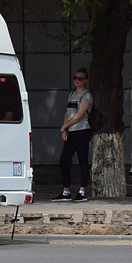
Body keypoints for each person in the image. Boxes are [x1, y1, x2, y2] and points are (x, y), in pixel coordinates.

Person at [54, 68, 92, 202]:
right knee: (64, 160)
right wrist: (65, 129)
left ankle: (82, 191)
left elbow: (78, 115)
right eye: (75, 78)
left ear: (86, 81)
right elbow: (68, 113)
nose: (77, 80)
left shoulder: (86, 96)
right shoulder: (71, 94)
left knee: (82, 160)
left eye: (80, 78)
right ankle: (66, 191)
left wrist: (65, 126)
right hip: (72, 131)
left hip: (82, 130)